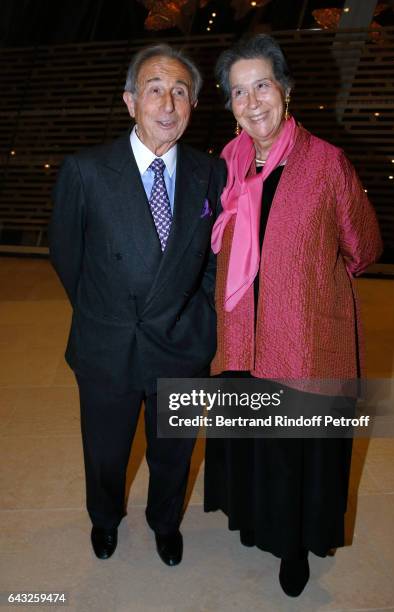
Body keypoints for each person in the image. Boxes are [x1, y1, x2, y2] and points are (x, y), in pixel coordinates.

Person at [204, 34, 382, 597]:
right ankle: (257, 523)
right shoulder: (229, 163)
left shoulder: (326, 163)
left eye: (262, 85)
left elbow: (365, 247)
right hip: (240, 336)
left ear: (285, 89)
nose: (252, 102)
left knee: (295, 448)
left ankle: (296, 548)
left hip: (303, 336)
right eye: (238, 91)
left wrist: (310, 280)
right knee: (258, 443)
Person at [49, 43, 225, 565]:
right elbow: (67, 256)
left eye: (180, 92)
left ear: (192, 104)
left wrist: (203, 317)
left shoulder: (210, 173)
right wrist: (106, 312)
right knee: (105, 451)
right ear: (130, 101)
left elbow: (219, 254)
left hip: (183, 340)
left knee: (174, 450)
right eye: (154, 90)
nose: (167, 104)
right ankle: (104, 519)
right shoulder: (85, 171)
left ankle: (164, 522)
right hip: (109, 342)